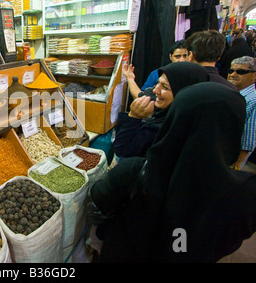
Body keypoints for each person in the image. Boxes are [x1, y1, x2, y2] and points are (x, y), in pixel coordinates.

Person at [91, 82, 256, 262]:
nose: (156, 91)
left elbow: (101, 197)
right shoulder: (248, 194)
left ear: (176, 119)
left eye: (166, 86)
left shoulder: (136, 170)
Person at [113, 62, 208, 158]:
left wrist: (134, 117)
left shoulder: (166, 129)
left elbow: (122, 149)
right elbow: (140, 95)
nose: (155, 90)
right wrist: (130, 79)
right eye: (158, 83)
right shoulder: (169, 112)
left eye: (165, 87)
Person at [124, 40, 188, 99]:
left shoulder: (195, 75)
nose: (182, 60)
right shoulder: (157, 74)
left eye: (185, 56)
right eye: (177, 56)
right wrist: (130, 78)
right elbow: (141, 98)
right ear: (170, 56)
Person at [227, 56, 256, 169]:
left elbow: (249, 138)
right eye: (231, 70)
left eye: (241, 72)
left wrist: (236, 166)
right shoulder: (232, 93)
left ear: (254, 75)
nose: (233, 75)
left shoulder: (252, 99)